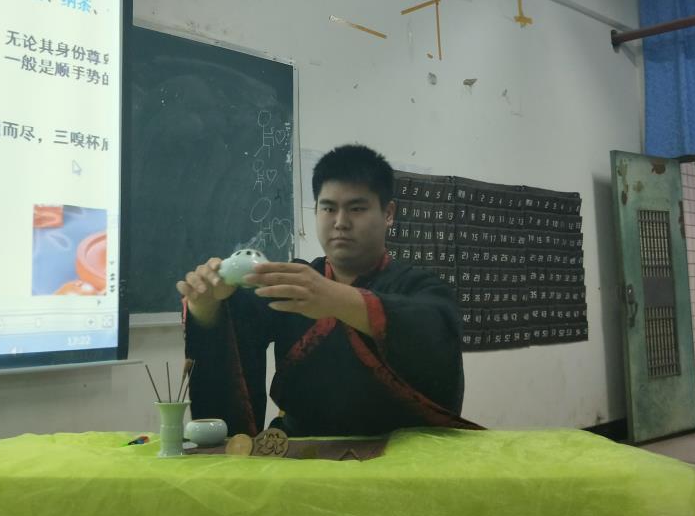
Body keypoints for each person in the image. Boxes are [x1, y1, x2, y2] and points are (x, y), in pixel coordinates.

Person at [178, 144, 478, 436]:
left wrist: (334, 298)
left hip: (400, 453)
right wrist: (206, 307)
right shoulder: (294, 281)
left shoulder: (417, 286)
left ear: (388, 213)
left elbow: (434, 331)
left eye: (357, 208)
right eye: (328, 208)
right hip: (302, 451)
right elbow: (236, 327)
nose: (340, 222)